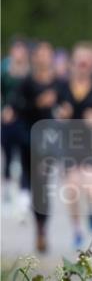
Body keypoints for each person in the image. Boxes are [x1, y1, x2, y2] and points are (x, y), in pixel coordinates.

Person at [56, 42, 92, 248]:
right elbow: (54, 111)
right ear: (72, 64)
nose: (82, 67)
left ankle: (91, 210)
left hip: (91, 145)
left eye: (86, 63)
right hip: (70, 144)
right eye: (79, 63)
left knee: (91, 188)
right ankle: (77, 230)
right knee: (72, 188)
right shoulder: (63, 88)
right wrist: (60, 115)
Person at [15, 41, 69, 253]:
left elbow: (67, 106)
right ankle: (36, 219)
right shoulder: (26, 83)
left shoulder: (60, 84)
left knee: (42, 183)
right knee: (32, 182)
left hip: (49, 141)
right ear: (34, 57)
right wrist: (37, 103)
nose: (43, 58)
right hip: (28, 138)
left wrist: (64, 111)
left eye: (47, 54)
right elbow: (17, 107)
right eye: (40, 54)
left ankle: (41, 228)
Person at [1, 37, 31, 207]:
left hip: (25, 118)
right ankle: (6, 189)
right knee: (8, 154)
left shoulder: (30, 72)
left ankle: (24, 191)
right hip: (8, 119)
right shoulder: (4, 72)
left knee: (25, 154)